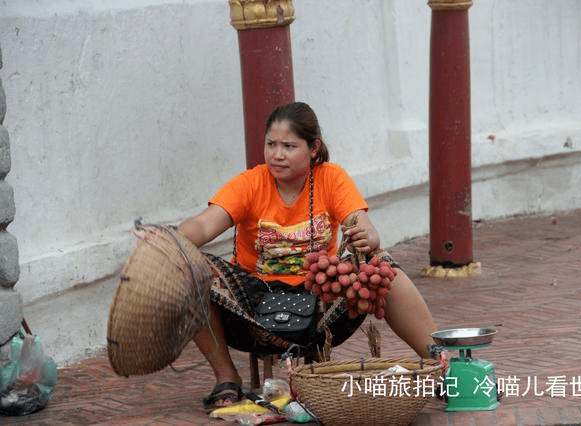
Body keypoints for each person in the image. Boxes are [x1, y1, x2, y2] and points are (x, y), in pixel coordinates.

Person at [178, 102, 445, 409]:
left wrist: (367, 237)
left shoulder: (331, 178)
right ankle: (227, 377)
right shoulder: (250, 183)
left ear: (313, 148)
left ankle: (440, 364)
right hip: (252, 308)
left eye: (289, 146)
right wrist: (171, 239)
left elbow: (363, 225)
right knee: (186, 267)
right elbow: (203, 224)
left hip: (319, 304)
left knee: (381, 265)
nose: (277, 155)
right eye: (271, 145)